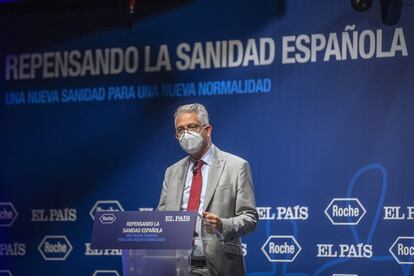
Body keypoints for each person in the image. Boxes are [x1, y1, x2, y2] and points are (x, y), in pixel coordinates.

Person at [157, 103, 258, 276]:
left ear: (208, 130)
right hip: (177, 266)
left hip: (219, 265)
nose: (186, 133)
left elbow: (250, 218)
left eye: (192, 127)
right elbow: (161, 215)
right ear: (176, 136)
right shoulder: (171, 172)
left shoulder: (236, 166)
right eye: (181, 130)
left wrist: (222, 225)